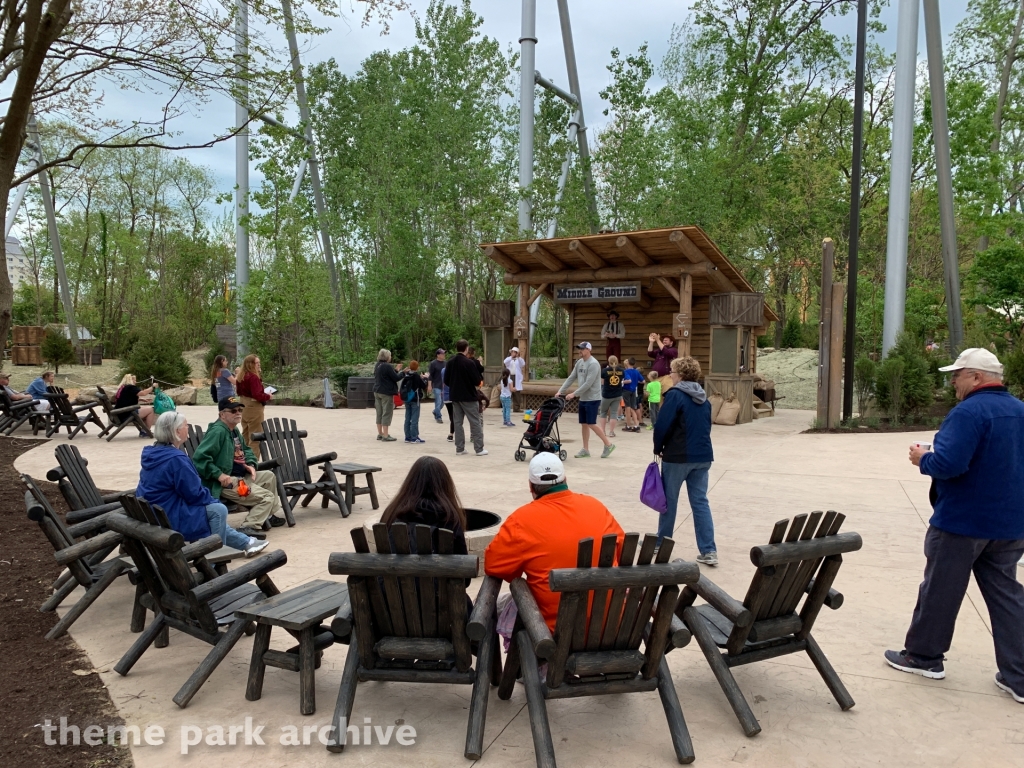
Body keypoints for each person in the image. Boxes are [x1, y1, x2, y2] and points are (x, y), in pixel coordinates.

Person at [885, 348, 1024, 703]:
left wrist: (923, 458)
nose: (952, 381)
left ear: (977, 377)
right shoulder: (1019, 410)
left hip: (962, 522)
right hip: (1010, 524)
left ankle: (924, 657)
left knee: (940, 590)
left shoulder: (968, 412)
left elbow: (949, 464)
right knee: (1007, 595)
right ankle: (1019, 676)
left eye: (957, 374)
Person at [485, 453, 625, 632]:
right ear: (565, 479)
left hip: (554, 632)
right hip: (611, 627)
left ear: (531, 487)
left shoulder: (521, 520)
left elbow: (493, 565)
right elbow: (621, 553)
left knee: (491, 606)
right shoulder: (596, 506)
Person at [137, 411, 267, 557]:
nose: (188, 428)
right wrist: (212, 500)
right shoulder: (176, 459)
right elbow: (194, 493)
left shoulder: (154, 452)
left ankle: (246, 542)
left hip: (153, 511)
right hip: (169, 515)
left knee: (213, 509)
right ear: (177, 431)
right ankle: (214, 560)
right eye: (186, 425)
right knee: (218, 510)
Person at [191, 396, 286, 538]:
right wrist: (219, 475)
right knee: (267, 497)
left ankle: (268, 515)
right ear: (222, 414)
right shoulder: (218, 431)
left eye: (240, 410)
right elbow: (199, 459)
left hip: (240, 475)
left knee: (268, 476)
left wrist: (251, 464)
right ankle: (248, 526)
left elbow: (246, 450)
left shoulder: (234, 430)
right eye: (233, 410)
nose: (238, 413)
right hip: (226, 482)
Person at [653, 356, 718, 564]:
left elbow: (662, 424)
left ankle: (661, 544)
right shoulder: (703, 397)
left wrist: (658, 447)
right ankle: (709, 551)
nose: (670, 375)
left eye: (672, 371)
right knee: (700, 502)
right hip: (703, 456)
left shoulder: (675, 395)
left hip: (678, 456)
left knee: (669, 502)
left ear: (680, 374)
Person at [380, 456, 468, 554]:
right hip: (439, 569)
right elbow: (462, 559)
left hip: (392, 569)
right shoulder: (448, 517)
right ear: (445, 483)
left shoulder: (392, 512)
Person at [558, 342, 613, 459]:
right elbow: (571, 377)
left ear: (588, 350)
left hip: (593, 398)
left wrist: (574, 394)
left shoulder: (593, 364)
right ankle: (585, 449)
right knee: (584, 424)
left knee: (591, 423)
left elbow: (588, 383)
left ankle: (608, 444)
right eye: (579, 349)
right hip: (583, 398)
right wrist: (560, 391)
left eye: (582, 349)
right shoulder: (579, 363)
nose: (580, 351)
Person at [443, 340, 487, 456]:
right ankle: (479, 448)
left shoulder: (450, 362)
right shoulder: (469, 363)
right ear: (466, 348)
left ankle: (460, 448)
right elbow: (477, 380)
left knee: (458, 423)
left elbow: (446, 380)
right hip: (468, 396)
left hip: (455, 396)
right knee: (475, 422)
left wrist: (455, 385)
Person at [235, 355, 271, 458]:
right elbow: (257, 395)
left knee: (245, 434)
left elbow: (238, 391)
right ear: (250, 364)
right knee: (256, 436)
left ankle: (242, 458)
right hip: (254, 407)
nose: (259, 365)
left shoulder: (241, 376)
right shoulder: (253, 377)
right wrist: (268, 395)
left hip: (243, 405)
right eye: (257, 363)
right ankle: (252, 461)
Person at [372, 348, 403, 442]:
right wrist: (403, 373)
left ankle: (380, 433)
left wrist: (396, 370)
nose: (391, 357)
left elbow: (387, 376)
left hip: (377, 391)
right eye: (390, 355)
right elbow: (396, 378)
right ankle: (386, 435)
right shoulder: (387, 366)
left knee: (379, 412)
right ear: (387, 357)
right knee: (387, 413)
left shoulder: (378, 365)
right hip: (386, 392)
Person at [401, 361, 427, 444]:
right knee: (415, 418)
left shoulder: (407, 375)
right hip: (415, 399)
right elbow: (423, 386)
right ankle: (414, 437)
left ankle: (407, 436)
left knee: (407, 418)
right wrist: (425, 378)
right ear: (417, 367)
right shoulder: (416, 376)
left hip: (407, 399)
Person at [599, 355, 624, 438]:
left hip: (606, 394)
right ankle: (611, 432)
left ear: (608, 361)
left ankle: (603, 431)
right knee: (614, 413)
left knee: (603, 412)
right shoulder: (621, 371)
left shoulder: (605, 371)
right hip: (617, 394)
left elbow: (602, 383)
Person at [621, 358, 645, 432]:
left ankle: (628, 425)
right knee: (633, 408)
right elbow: (643, 381)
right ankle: (636, 425)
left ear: (627, 363)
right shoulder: (636, 372)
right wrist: (635, 382)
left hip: (626, 390)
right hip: (634, 390)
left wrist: (622, 382)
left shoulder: (625, 371)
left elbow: (629, 380)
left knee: (627, 408)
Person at [503, 347, 527, 412]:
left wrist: (518, 357)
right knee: (508, 391)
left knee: (516, 393)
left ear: (516, 353)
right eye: (512, 352)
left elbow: (523, 364)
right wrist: (511, 357)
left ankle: (516, 408)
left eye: (514, 352)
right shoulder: (509, 359)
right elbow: (505, 362)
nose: (513, 353)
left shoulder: (519, 360)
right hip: (509, 376)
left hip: (516, 377)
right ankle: (506, 408)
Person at [428, 348, 446, 424]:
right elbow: (430, 375)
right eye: (442, 354)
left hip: (444, 386)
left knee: (443, 402)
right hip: (436, 385)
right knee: (438, 401)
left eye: (444, 354)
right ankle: (438, 417)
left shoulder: (446, 363)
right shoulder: (433, 363)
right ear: (438, 355)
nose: (444, 355)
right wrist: (429, 385)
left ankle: (435, 411)